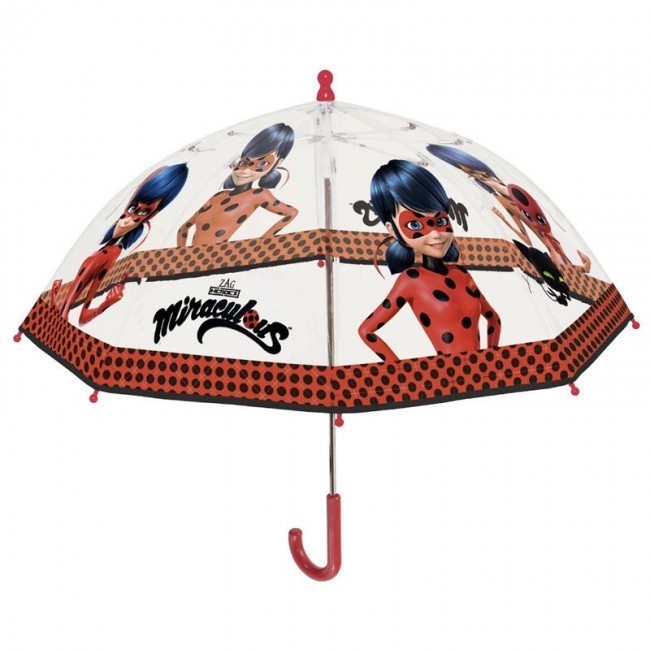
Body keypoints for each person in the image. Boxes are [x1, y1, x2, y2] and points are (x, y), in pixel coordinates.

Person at [358, 160, 501, 362]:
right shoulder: (411, 280)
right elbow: (366, 330)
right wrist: (401, 371)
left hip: (482, 374)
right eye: (415, 224)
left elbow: (494, 319)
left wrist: (493, 358)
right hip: (445, 376)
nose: (435, 234)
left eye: (440, 221)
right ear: (393, 230)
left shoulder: (462, 274)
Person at [51, 163, 189, 325]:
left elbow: (80, 318)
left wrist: (106, 304)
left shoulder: (115, 255)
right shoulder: (105, 237)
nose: (127, 221)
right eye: (132, 208)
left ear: (153, 214)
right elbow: (75, 318)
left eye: (144, 212)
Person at [426, 144, 590, 272]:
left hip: (553, 243)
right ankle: (576, 268)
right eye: (474, 174)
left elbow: (534, 222)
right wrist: (504, 220)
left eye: (482, 173)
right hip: (552, 249)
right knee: (564, 267)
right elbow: (526, 239)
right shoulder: (503, 200)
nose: (481, 176)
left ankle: (577, 268)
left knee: (565, 267)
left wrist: (499, 189)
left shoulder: (514, 191)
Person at [177, 123, 298, 247]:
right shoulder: (218, 196)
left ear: (278, 163)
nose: (245, 171)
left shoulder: (259, 195)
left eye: (262, 164)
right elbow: (183, 229)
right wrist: (181, 253)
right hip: (192, 257)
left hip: (216, 257)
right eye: (244, 163)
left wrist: (263, 241)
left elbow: (291, 212)